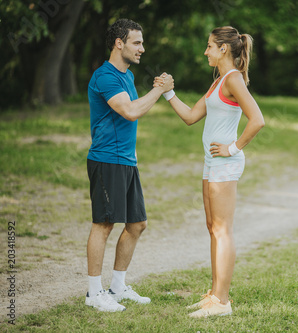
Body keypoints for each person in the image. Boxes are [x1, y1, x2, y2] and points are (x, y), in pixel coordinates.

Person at [154, 26, 265, 318]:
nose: (206, 52)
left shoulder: (234, 79)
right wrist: (169, 93)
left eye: (209, 47)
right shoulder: (219, 81)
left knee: (222, 230)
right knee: (212, 227)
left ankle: (222, 302)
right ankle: (214, 295)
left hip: (225, 163)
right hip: (211, 162)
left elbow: (258, 120)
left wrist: (233, 147)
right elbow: (191, 116)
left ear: (223, 49)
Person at [85, 18, 174, 312]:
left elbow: (135, 110)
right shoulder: (105, 76)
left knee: (137, 224)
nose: (142, 49)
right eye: (137, 43)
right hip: (106, 159)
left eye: (142, 43)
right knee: (105, 223)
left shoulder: (128, 77)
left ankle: (118, 287)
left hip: (126, 161)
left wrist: (155, 92)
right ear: (118, 43)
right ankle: (94, 294)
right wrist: (160, 91)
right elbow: (131, 111)